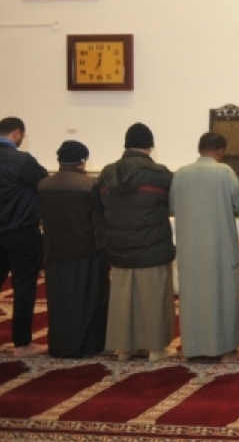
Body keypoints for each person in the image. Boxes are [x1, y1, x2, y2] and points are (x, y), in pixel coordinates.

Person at [98, 123, 176, 361]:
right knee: (153, 298)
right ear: (150, 146)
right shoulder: (159, 174)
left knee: (123, 301)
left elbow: (101, 206)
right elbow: (172, 205)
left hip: (119, 246)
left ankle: (124, 348)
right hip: (152, 247)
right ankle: (155, 348)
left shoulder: (107, 173)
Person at [170, 132, 239, 362]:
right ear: (220, 152)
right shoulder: (225, 172)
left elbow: (172, 205)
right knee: (222, 294)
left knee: (192, 294)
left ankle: (192, 347)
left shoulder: (180, 174)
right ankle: (225, 349)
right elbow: (238, 204)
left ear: (199, 149)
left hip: (190, 247)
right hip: (220, 246)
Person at [37, 140, 108, 359]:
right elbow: (102, 215)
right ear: (82, 161)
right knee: (88, 300)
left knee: (60, 301)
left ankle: (60, 345)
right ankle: (88, 346)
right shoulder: (90, 185)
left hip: (55, 251)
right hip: (87, 251)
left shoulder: (44, 185)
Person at [0, 117, 49, 358]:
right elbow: (45, 184)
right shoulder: (21, 161)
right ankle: (22, 344)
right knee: (24, 287)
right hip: (21, 232)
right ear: (17, 133)